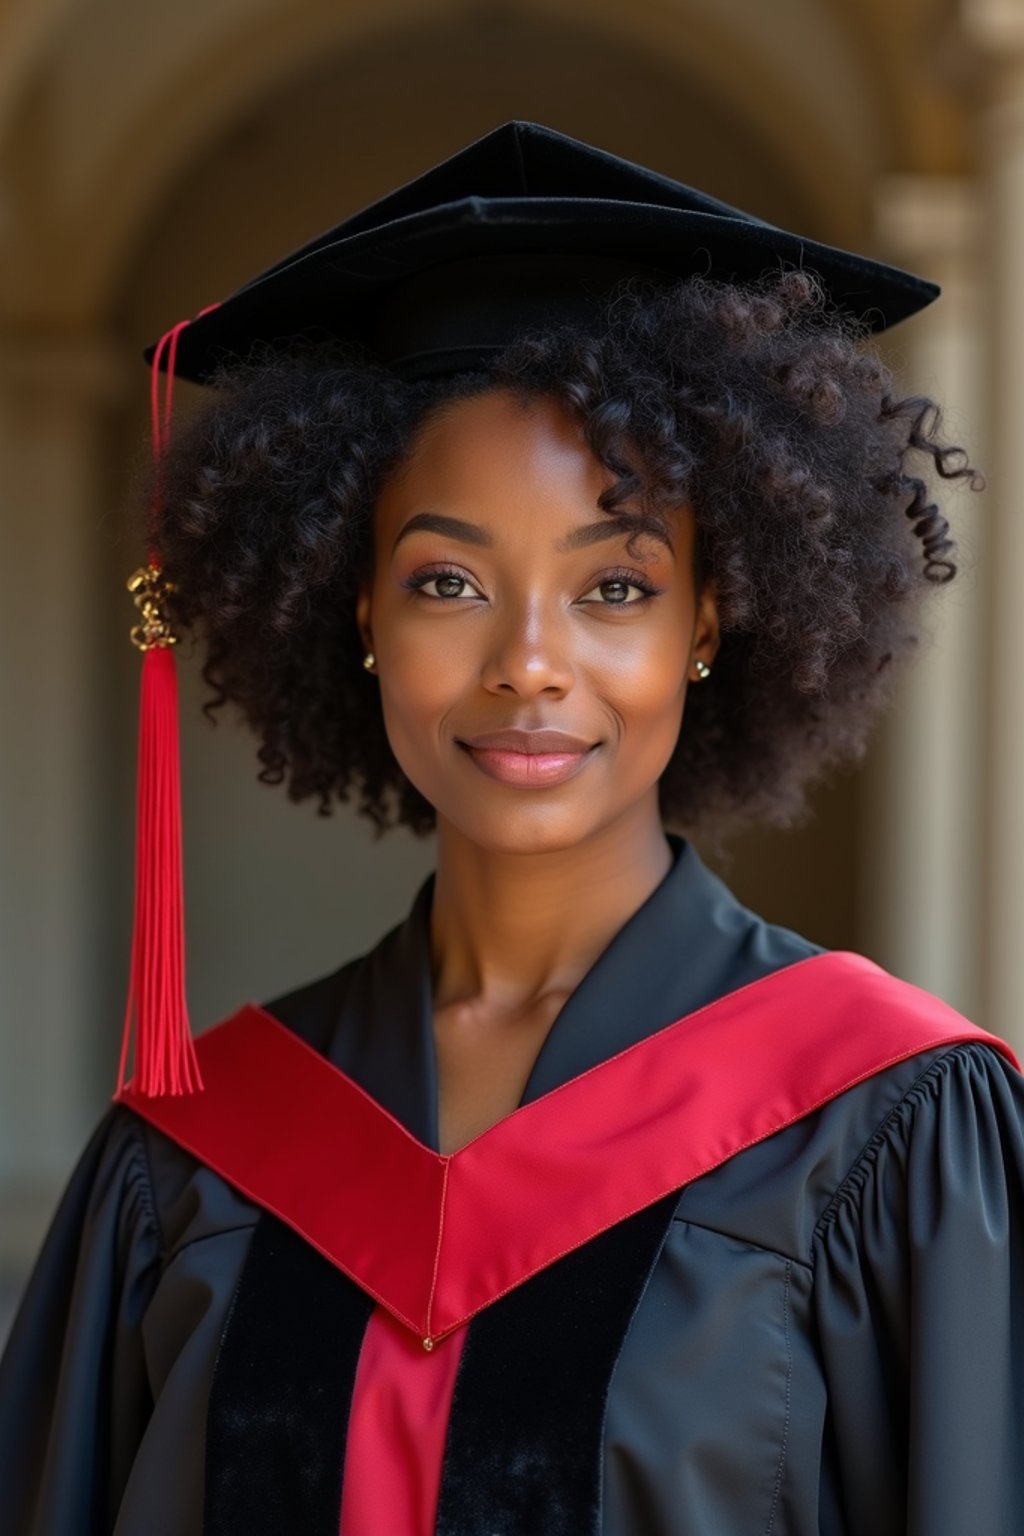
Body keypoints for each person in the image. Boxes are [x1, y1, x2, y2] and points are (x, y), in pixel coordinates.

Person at [1, 118, 1022, 1536]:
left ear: (708, 622)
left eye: (614, 587)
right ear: (358, 615)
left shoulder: (885, 1123)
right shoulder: (193, 1154)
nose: (529, 663)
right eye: (445, 583)